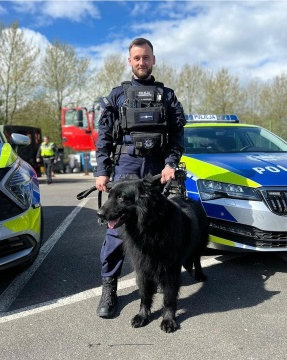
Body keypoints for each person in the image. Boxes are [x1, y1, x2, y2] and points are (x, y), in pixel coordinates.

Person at [94, 38, 186, 318]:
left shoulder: (167, 96)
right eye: (136, 58)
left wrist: (171, 163)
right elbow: (104, 137)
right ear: (129, 61)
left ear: (153, 60)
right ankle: (109, 288)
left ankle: (159, 281)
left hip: (158, 171)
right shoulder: (116, 96)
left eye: (146, 58)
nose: (142, 62)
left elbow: (179, 134)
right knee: (116, 231)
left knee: (159, 229)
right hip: (125, 168)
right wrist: (102, 170)